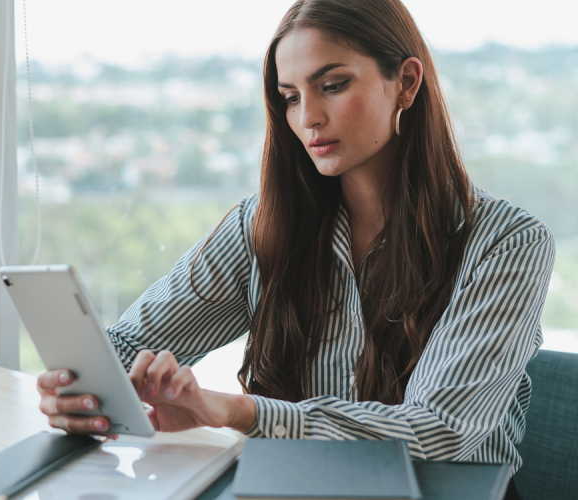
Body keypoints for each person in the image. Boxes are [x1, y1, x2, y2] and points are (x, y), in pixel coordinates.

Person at [36, 1, 553, 497]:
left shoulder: (506, 243)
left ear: (407, 82)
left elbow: (439, 432)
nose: (308, 117)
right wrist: (84, 393)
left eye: (332, 85)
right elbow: (127, 346)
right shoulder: (263, 226)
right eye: (290, 97)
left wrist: (239, 412)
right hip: (292, 491)